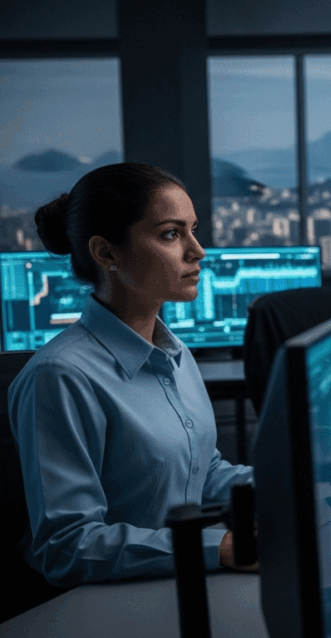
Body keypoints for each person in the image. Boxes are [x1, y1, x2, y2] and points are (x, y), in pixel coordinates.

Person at [9, 163, 256, 588]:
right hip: (116, 601)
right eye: (171, 234)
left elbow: (201, 471)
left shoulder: (175, 353)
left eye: (193, 230)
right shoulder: (60, 377)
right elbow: (66, 545)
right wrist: (223, 548)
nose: (198, 251)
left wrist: (298, 480)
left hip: (185, 579)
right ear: (106, 253)